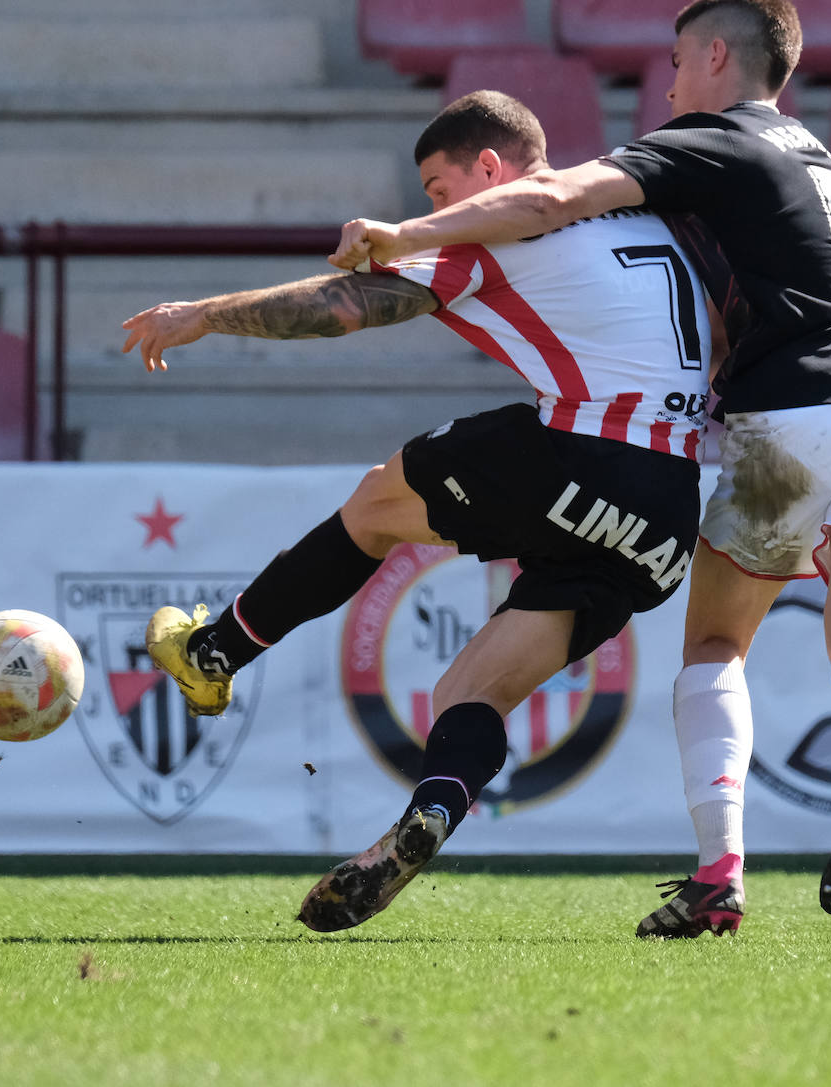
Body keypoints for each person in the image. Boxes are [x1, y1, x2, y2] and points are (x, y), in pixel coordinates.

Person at [327, 0, 831, 937]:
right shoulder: (820, 160)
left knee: (714, 647)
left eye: (673, 61)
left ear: (715, 55)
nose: (664, 85)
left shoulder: (711, 137)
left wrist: (408, 236)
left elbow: (549, 199)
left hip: (791, 419)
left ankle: (719, 873)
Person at [122, 91, 719, 932]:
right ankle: (429, 814)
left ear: (490, 169)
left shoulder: (495, 225)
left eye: (439, 191)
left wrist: (204, 315)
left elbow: (345, 307)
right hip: (667, 514)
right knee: (467, 692)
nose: (434, 213)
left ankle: (213, 651)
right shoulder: (639, 214)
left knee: (373, 505)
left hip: (580, 452)